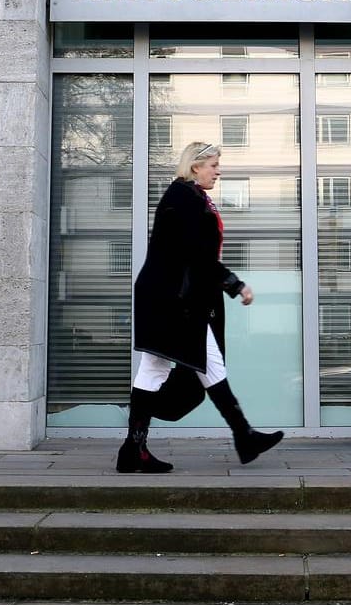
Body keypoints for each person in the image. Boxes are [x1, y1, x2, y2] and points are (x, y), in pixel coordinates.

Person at [117, 141, 284, 474]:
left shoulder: (187, 197)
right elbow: (197, 255)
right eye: (214, 165)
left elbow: (195, 255)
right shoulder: (185, 198)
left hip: (171, 299)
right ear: (196, 166)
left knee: (165, 368)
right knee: (187, 365)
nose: (218, 171)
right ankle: (242, 435)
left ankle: (134, 449)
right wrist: (235, 285)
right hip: (174, 301)